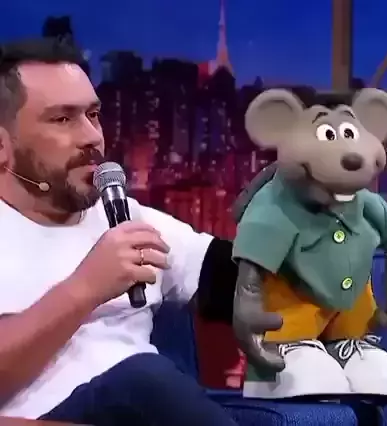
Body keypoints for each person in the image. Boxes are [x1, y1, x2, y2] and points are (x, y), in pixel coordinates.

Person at [0, 38, 238, 426]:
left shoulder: (122, 214)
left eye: (93, 115)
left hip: (152, 410)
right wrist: (86, 287)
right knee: (143, 382)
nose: (92, 136)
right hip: (61, 416)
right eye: (62, 119)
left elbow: (230, 278)